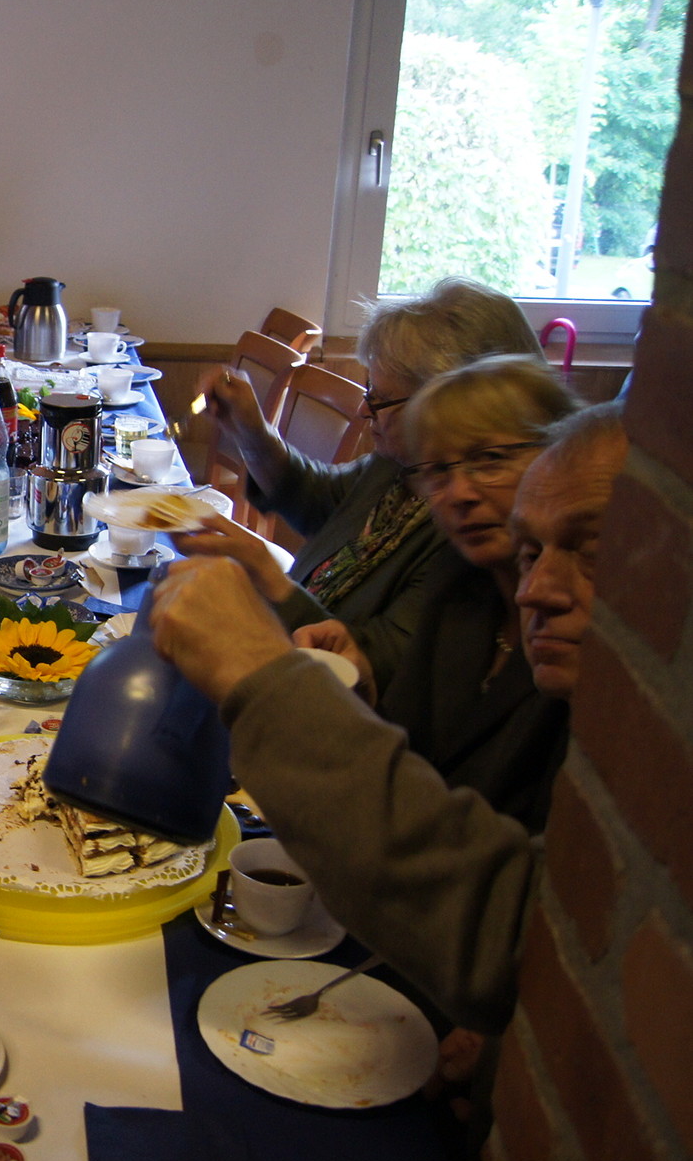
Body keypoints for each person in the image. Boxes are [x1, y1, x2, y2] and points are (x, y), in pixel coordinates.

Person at [150, 402, 627, 1036]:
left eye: (591, 551)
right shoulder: (465, 599)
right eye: (531, 552)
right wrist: (367, 699)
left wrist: (263, 678)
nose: (534, 588)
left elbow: (510, 932)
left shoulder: (629, 746)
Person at [180, 277, 543, 689]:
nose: (365, 411)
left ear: (450, 404)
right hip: (284, 660)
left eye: (381, 399)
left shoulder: (470, 532)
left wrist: (269, 578)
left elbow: (379, 671)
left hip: (311, 690)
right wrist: (251, 431)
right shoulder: (398, 467)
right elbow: (317, 500)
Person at [304, 356, 580, 831]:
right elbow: (410, 758)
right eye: (437, 471)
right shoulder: (459, 582)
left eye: (489, 460)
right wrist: (365, 695)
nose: (459, 494)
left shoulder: (580, 630)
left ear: (559, 457)